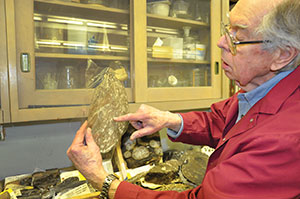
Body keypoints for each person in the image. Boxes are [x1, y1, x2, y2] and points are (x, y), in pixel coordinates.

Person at [67, 0, 300, 198]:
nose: (220, 42)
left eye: (237, 37)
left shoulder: (284, 140)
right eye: (226, 28)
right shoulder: (262, 87)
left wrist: (103, 181)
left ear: (282, 55)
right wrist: (169, 120)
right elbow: (223, 122)